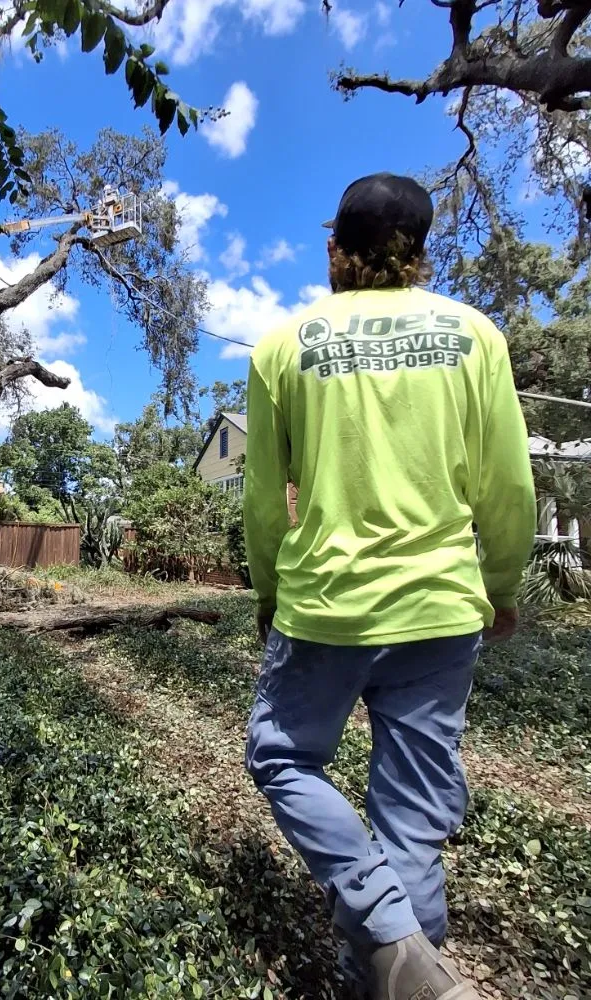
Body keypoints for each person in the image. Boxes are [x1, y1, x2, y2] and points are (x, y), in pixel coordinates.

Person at [242, 173, 536, 1000]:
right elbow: (508, 486)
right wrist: (502, 586)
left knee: (282, 756)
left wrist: (268, 592)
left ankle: (389, 940)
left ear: (336, 248)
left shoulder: (283, 345)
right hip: (442, 608)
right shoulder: (475, 336)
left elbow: (265, 497)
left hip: (326, 607)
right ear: (421, 250)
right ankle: (404, 972)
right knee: (410, 814)